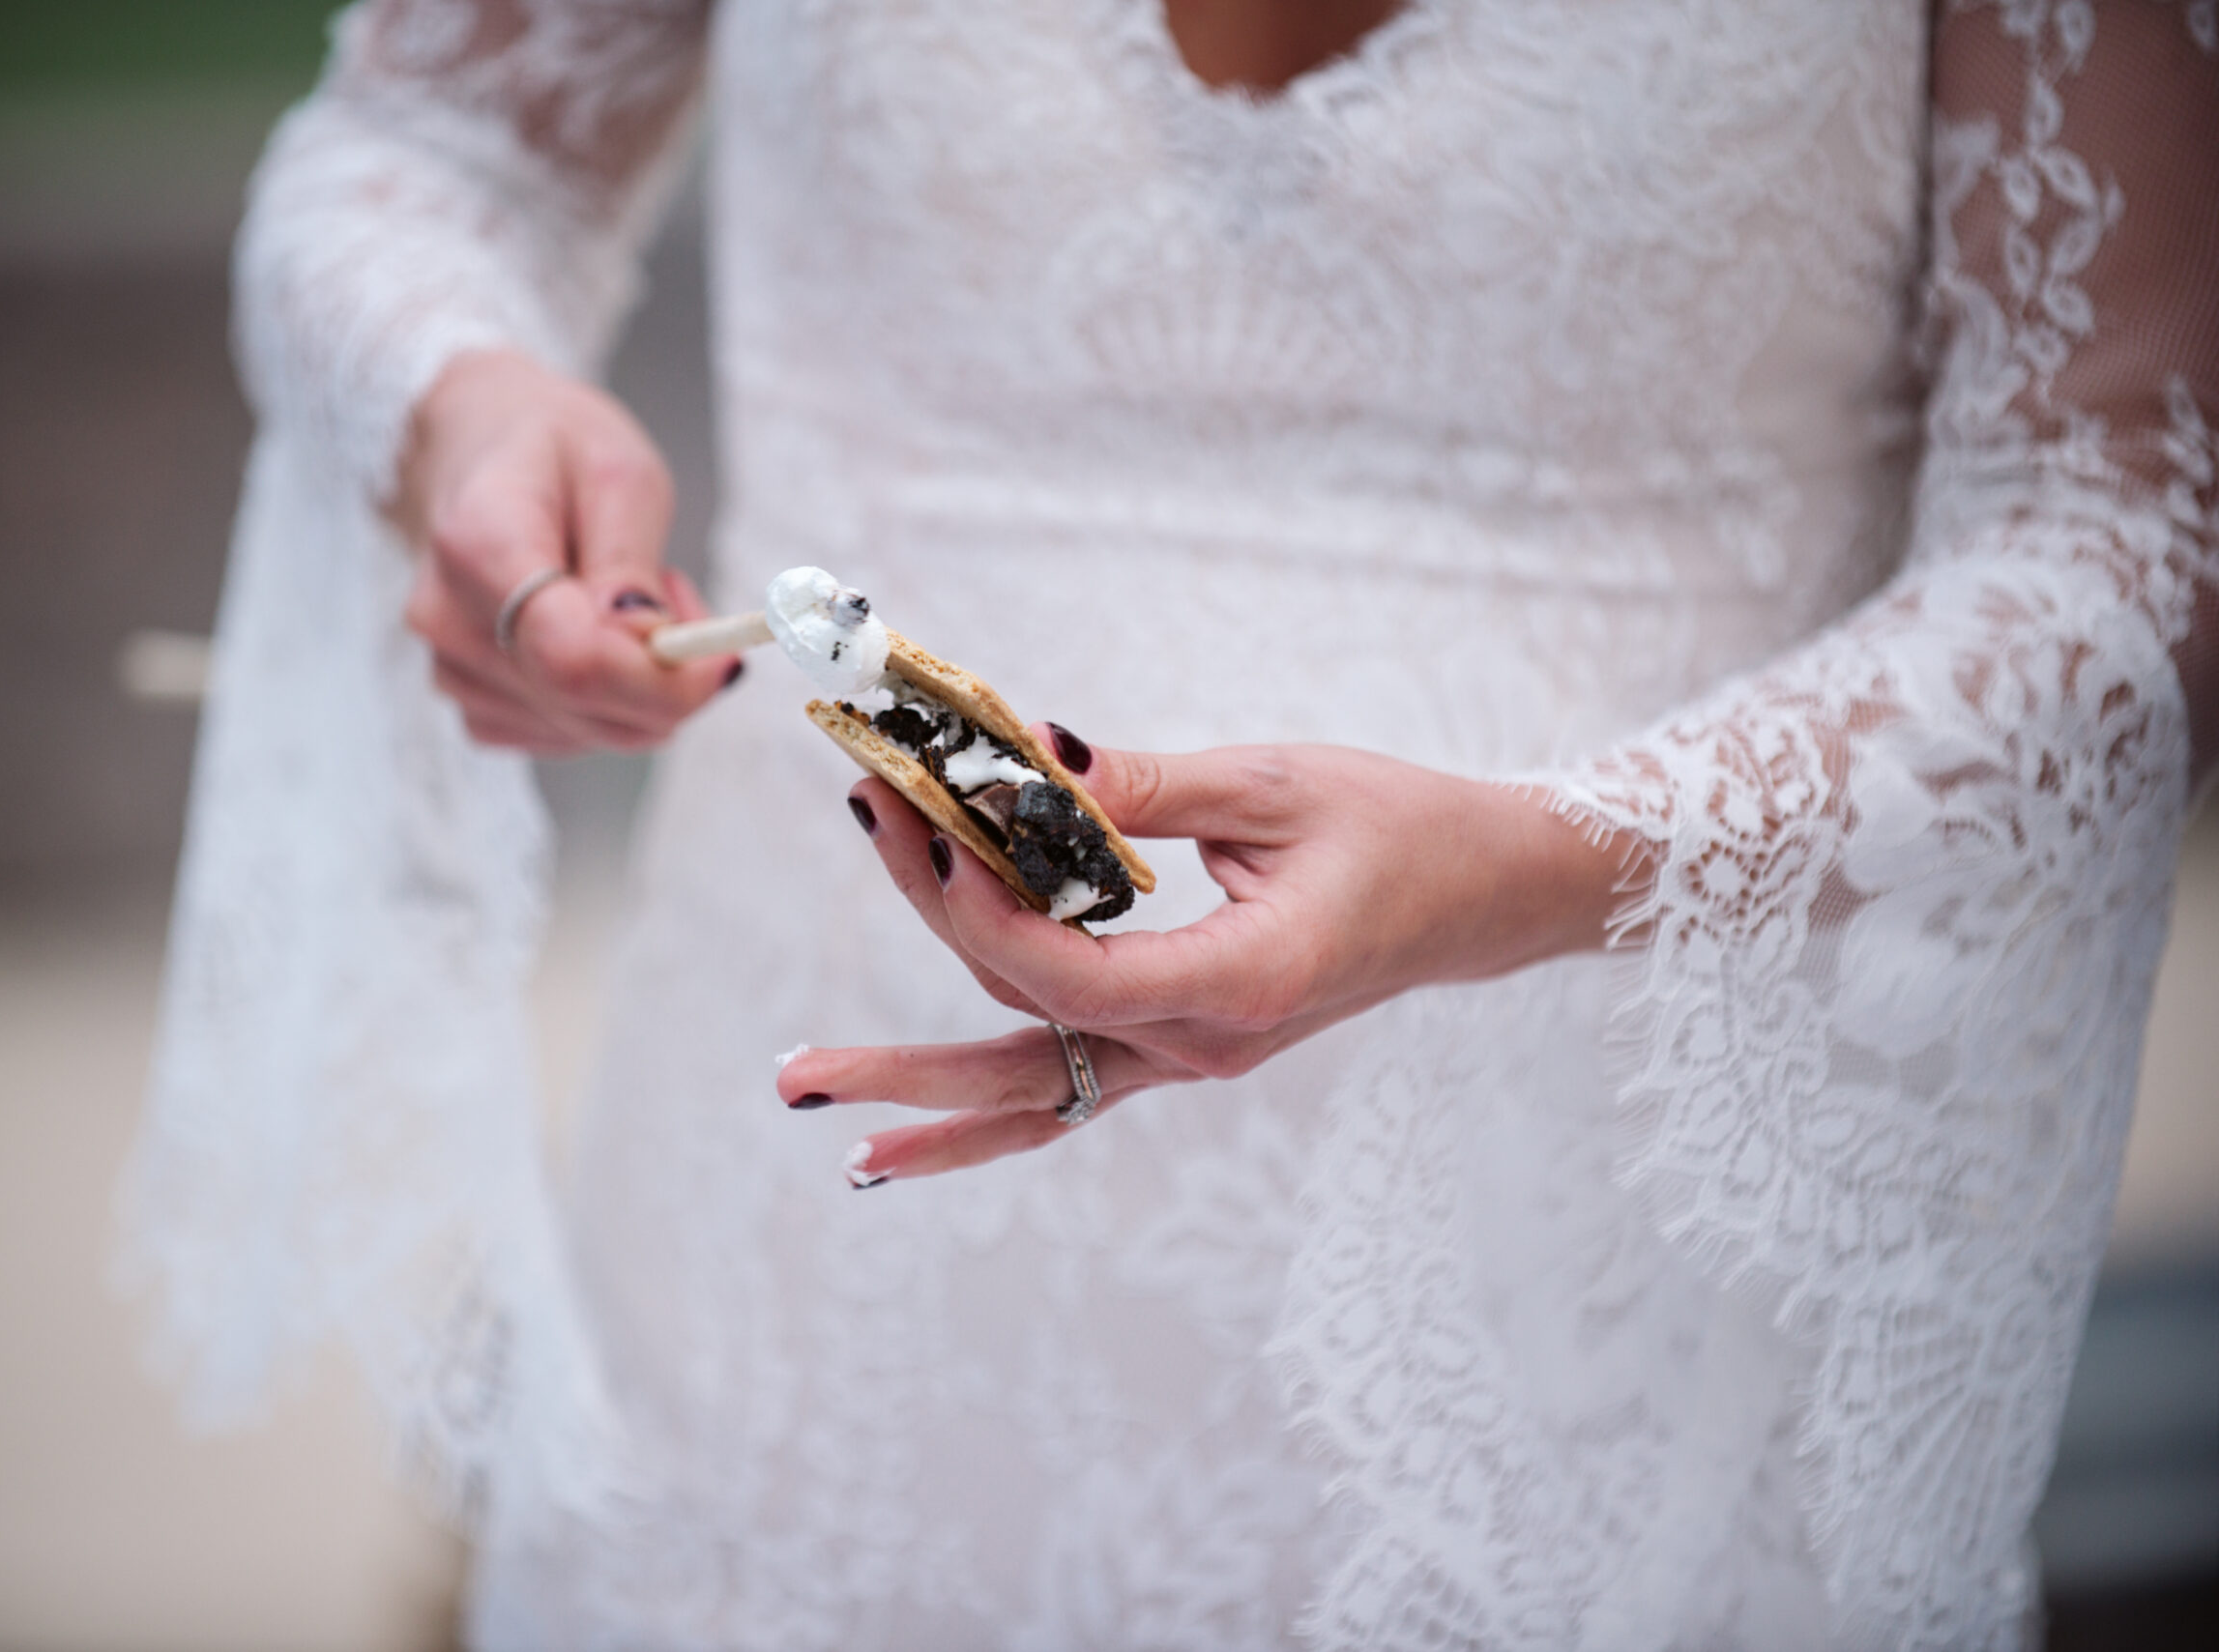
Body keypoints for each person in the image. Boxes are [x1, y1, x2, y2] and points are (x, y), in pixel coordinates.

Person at [121, 1, 2218, 1645]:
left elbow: (2126, 521)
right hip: (795, 1265)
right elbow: (420, 152)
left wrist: (1542, 858)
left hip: (1592, 1324)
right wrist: (470, 408)